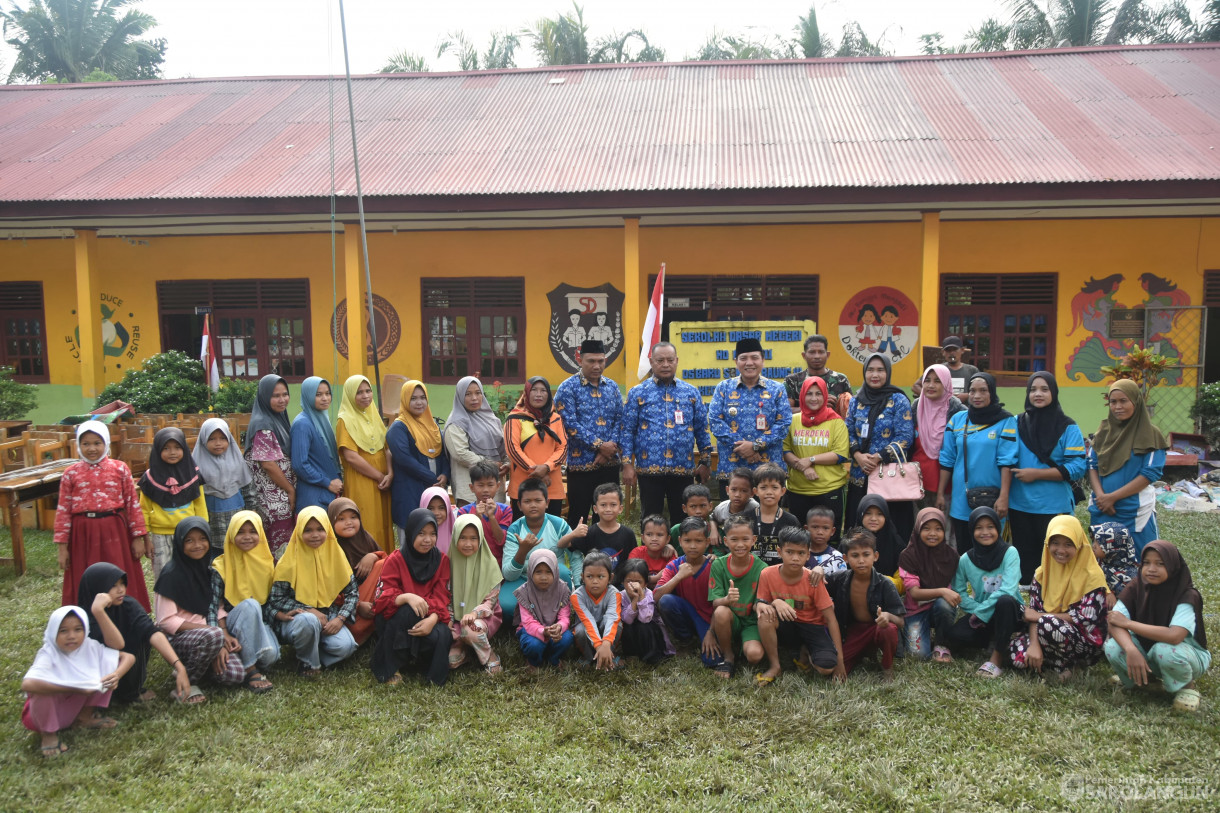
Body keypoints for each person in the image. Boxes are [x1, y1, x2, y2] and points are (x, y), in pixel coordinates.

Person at [54, 421, 150, 611]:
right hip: (82, 534)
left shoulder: (120, 469)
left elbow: (132, 504)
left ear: (106, 442)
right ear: (78, 446)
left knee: (118, 572)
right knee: (85, 574)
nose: (92, 448)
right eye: (86, 443)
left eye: (97, 443)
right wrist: (63, 548)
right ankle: (88, 615)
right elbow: (63, 511)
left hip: (115, 531)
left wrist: (137, 537)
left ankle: (125, 613)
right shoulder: (70, 474)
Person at [1105, 540, 1209, 713]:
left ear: (1173, 566)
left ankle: (1187, 687)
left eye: (1160, 564)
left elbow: (1174, 636)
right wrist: (1131, 649)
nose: (1152, 569)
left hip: (1185, 653)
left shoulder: (1187, 595)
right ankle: (1149, 681)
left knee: (1166, 650)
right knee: (1113, 646)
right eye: (1147, 563)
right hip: (1146, 650)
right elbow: (1114, 621)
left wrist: (1129, 624)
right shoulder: (1136, 587)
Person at [21, 606, 134, 758]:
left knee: (108, 665)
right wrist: (74, 688)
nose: (71, 636)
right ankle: (48, 735)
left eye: (77, 629)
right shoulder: (49, 653)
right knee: (40, 688)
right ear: (53, 632)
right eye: (63, 631)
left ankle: (84, 717)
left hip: (75, 708)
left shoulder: (89, 647)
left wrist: (116, 675)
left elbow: (128, 657)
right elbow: (27, 684)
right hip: (47, 713)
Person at [154, 518, 246, 700]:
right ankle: (185, 684)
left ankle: (204, 668)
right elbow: (166, 621)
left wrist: (223, 633)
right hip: (178, 637)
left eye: (202, 539)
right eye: (189, 540)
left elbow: (216, 606)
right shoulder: (170, 575)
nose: (197, 545)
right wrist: (213, 634)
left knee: (235, 675)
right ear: (180, 542)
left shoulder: (208, 569)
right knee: (213, 636)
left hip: (209, 635)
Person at [1007, 372, 1087, 582]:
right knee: (1025, 563)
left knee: (1057, 560)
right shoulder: (1016, 422)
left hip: (1054, 506)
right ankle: (1028, 607)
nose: (1038, 394)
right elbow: (1004, 456)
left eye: (1044, 389)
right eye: (1033, 389)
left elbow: (1078, 466)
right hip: (1019, 505)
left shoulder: (1068, 426)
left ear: (1054, 392)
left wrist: (1037, 474)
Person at [621, 341, 712, 524]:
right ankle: (648, 552)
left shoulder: (691, 392)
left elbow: (702, 429)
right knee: (650, 519)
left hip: (682, 468)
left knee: (684, 520)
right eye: (660, 360)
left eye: (670, 360)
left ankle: (682, 552)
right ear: (651, 362)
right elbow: (627, 431)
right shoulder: (638, 393)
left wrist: (705, 461)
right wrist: (626, 464)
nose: (665, 364)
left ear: (677, 361)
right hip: (649, 469)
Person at [1009, 516, 1109, 681]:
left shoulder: (1092, 576)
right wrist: (1034, 645)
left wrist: (1041, 617)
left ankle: (1071, 664)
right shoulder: (1042, 572)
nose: (1060, 550)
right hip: (1045, 631)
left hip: (1083, 639)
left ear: (1078, 543)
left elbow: (1084, 618)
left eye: (1068, 544)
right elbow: (1034, 612)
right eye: (1055, 543)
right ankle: (1050, 659)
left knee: (1049, 625)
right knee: (1018, 658)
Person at [76, 563, 191, 705]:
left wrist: (179, 667)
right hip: (97, 678)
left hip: (126, 669)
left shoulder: (129, 605)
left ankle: (130, 691)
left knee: (143, 634)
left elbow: (153, 633)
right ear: (96, 588)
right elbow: (116, 645)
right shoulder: (80, 618)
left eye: (122, 584)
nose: (121, 590)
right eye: (113, 585)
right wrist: (99, 612)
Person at [268, 508, 359, 677]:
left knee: (346, 647)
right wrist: (308, 609)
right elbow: (276, 598)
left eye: (320, 529)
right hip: (299, 619)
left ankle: (312, 649)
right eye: (307, 530)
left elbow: (352, 593)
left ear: (328, 530)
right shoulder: (288, 560)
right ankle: (309, 663)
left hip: (329, 618)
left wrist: (340, 619)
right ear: (298, 531)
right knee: (309, 621)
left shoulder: (336, 555)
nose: (315, 535)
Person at [371, 507, 453, 687]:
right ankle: (389, 668)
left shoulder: (441, 560)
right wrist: (407, 597)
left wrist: (432, 618)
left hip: (426, 618)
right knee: (408, 610)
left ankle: (433, 678)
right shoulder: (396, 559)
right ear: (411, 532)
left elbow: (442, 596)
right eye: (421, 533)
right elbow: (381, 599)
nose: (427, 540)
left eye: (432, 534)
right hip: (397, 621)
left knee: (444, 633)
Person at [936, 373, 1018, 552]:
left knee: (992, 550)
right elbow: (947, 459)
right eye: (972, 391)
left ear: (992, 393)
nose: (977, 396)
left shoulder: (1006, 421)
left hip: (993, 500)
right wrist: (941, 493)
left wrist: (1004, 497)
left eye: (983, 391)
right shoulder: (957, 420)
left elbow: (1007, 461)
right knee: (965, 551)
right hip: (961, 500)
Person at [1087, 380, 1168, 555]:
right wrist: (1102, 497)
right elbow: (1092, 465)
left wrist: (1113, 497)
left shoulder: (1151, 434)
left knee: (1140, 560)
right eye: (1113, 402)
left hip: (1134, 510)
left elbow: (1150, 473)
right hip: (1102, 508)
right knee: (1101, 561)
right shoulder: (1103, 432)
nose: (1117, 407)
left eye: (1123, 401)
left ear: (1136, 401)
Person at [756, 527, 845, 684]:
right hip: (787, 625)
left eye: (801, 553)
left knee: (826, 668)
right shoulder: (767, 574)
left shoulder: (813, 579)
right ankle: (775, 666)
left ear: (808, 555)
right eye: (789, 552)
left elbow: (831, 619)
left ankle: (805, 651)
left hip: (813, 626)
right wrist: (776, 602)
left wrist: (840, 661)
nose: (795, 558)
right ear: (779, 551)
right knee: (765, 616)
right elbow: (760, 604)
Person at [845, 352, 915, 542]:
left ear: (888, 372)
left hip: (889, 478)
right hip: (861, 474)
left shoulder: (898, 400)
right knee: (858, 530)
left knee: (892, 530)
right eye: (870, 370)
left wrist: (878, 457)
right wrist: (858, 455)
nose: (875, 375)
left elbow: (905, 437)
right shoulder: (856, 401)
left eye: (880, 370)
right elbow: (848, 432)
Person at [947, 507, 1023, 678]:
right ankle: (996, 638)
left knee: (1005, 601)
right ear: (972, 530)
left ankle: (996, 659)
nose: (985, 532)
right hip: (981, 616)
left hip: (1011, 612)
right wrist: (979, 611)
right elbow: (959, 593)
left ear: (998, 528)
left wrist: (982, 612)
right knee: (954, 636)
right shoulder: (966, 559)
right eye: (979, 527)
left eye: (990, 527)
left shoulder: (1010, 553)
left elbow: (1009, 589)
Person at [708, 337, 791, 495]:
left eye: (754, 358)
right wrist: (742, 447)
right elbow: (715, 422)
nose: (749, 363)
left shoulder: (776, 389)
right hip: (732, 469)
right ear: (736, 362)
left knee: (767, 518)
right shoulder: (723, 388)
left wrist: (755, 446)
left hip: (768, 471)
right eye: (743, 358)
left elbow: (784, 423)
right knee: (733, 517)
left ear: (763, 360)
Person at [554, 339, 624, 525]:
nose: (597, 366)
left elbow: (620, 420)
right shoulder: (567, 388)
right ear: (579, 360)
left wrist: (610, 449)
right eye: (591, 361)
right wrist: (600, 446)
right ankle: (577, 552)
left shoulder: (612, 387)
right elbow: (569, 423)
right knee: (579, 514)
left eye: (600, 361)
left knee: (607, 514)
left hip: (610, 464)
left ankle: (606, 551)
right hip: (581, 464)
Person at [209, 511, 280, 692]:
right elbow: (212, 606)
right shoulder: (219, 566)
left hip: (257, 622)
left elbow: (271, 602)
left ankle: (241, 654)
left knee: (272, 656)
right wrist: (222, 634)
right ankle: (251, 670)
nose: (247, 537)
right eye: (240, 532)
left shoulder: (267, 562)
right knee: (250, 604)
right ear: (231, 534)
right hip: (229, 625)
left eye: (252, 531)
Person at [825, 528, 906, 681]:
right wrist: (816, 570)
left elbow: (901, 622)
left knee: (888, 629)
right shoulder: (840, 579)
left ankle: (887, 666)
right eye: (855, 555)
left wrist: (887, 616)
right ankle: (862, 653)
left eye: (866, 555)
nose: (861, 560)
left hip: (876, 628)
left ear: (875, 556)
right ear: (846, 558)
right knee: (833, 670)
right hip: (853, 631)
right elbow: (820, 582)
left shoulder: (885, 583)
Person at [499, 478, 583, 619]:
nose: (533, 505)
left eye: (538, 501)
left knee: (561, 570)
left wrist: (579, 587)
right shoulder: (515, 529)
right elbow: (508, 574)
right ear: (519, 505)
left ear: (547, 503)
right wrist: (523, 551)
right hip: (523, 579)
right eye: (527, 501)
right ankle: (539, 614)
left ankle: (545, 612)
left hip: (553, 580)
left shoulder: (558, 524)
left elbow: (575, 555)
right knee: (505, 607)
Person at [783, 376, 850, 540]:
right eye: (809, 394)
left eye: (818, 394)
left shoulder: (836, 422)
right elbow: (785, 451)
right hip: (798, 490)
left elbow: (840, 454)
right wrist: (804, 467)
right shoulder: (793, 421)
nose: (814, 398)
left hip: (829, 490)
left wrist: (811, 459)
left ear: (825, 396)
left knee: (829, 539)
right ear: (802, 396)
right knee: (798, 540)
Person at [139, 427, 208, 579]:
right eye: (166, 448)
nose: (172, 452)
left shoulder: (192, 474)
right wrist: (145, 537)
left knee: (189, 572)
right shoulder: (150, 478)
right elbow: (144, 508)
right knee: (164, 575)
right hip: (160, 535)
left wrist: (202, 529)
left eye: (177, 447)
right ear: (157, 450)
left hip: (188, 532)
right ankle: (166, 603)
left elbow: (200, 503)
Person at [335, 374, 394, 552]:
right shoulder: (344, 419)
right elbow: (351, 456)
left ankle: (385, 568)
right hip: (363, 481)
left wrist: (390, 473)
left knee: (383, 523)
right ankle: (368, 570)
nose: (366, 395)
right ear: (350, 395)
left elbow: (387, 448)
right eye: (359, 392)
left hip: (383, 482)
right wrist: (380, 476)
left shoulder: (373, 414)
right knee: (367, 522)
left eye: (368, 390)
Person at [386, 380, 450, 545]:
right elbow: (404, 460)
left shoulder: (433, 425)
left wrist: (444, 474)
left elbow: (443, 453)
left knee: (432, 536)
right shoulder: (398, 428)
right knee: (411, 535)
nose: (419, 402)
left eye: (422, 397)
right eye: (413, 398)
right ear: (405, 400)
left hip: (434, 487)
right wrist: (432, 478)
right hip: (409, 489)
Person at [708, 514, 768, 679]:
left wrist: (760, 604)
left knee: (755, 656)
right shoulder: (719, 565)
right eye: (734, 539)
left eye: (745, 539)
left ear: (753, 540)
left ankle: (744, 643)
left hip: (751, 623)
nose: (740, 544)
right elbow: (715, 603)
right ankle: (728, 656)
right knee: (721, 611)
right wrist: (727, 599)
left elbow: (760, 602)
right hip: (730, 618)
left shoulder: (762, 568)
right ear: (726, 541)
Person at [655, 517, 720, 667]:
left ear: (707, 542)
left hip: (710, 619)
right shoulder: (674, 565)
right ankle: (685, 639)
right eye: (687, 541)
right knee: (666, 601)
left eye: (698, 541)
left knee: (712, 662)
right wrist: (678, 577)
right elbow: (656, 597)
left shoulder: (715, 565)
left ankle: (707, 634)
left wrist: (711, 632)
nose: (692, 546)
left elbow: (721, 604)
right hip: (687, 613)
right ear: (680, 541)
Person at [244, 374, 297, 557]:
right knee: (279, 550)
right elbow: (268, 464)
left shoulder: (278, 417)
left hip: (280, 495)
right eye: (275, 396)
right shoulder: (263, 423)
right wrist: (290, 490)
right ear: (265, 397)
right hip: (274, 501)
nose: (282, 400)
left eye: (285, 394)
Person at [898, 507, 959, 662]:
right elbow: (915, 593)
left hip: (940, 607)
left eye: (938, 529)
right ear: (918, 529)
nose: (932, 534)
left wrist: (944, 594)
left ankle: (941, 643)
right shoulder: (908, 555)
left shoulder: (951, 555)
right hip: (916, 611)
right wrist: (943, 591)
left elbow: (957, 590)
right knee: (918, 655)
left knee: (944, 605)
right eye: (926, 528)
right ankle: (913, 632)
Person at [504, 377, 567, 519]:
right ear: (526, 393)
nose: (539, 394)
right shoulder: (514, 418)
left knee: (552, 531)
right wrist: (537, 471)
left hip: (552, 486)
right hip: (523, 487)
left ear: (549, 395)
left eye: (543, 390)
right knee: (524, 532)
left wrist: (547, 467)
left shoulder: (556, 418)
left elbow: (563, 448)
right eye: (534, 390)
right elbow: (512, 449)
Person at [447, 515, 503, 674]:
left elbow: (490, 602)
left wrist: (473, 613)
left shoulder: (489, 564)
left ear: (481, 539)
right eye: (462, 537)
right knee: (451, 661)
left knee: (470, 630)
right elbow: (446, 597)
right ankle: (462, 646)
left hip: (484, 618)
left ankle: (489, 656)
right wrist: (450, 620)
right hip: (456, 619)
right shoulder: (447, 563)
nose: (468, 543)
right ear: (455, 537)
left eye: (473, 538)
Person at [327, 498, 385, 646]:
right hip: (345, 606)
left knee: (383, 564)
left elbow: (390, 566)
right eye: (341, 519)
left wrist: (373, 555)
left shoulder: (365, 538)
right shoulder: (330, 549)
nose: (349, 522)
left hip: (371, 596)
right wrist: (358, 605)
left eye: (353, 517)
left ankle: (379, 625)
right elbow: (331, 593)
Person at [445, 375, 509, 507]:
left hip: (494, 483)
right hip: (469, 486)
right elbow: (460, 453)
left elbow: (503, 446)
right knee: (472, 523)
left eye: (478, 393)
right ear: (460, 396)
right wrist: (490, 464)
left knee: (495, 522)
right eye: (468, 394)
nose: (474, 398)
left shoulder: (491, 418)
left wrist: (507, 462)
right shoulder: (456, 422)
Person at [193, 418, 252, 554]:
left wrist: (252, 511)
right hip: (210, 515)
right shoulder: (195, 464)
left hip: (237, 512)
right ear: (203, 440)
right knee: (215, 550)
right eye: (212, 439)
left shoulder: (237, 460)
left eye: (222, 438)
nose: (218, 443)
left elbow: (248, 488)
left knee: (237, 546)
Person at [911, 364, 964, 502]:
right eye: (927, 380)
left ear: (946, 383)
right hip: (917, 482)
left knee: (944, 522)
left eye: (937, 381)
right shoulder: (916, 408)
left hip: (948, 484)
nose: (931, 385)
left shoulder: (958, 411)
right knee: (920, 522)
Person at [514, 548, 574, 669]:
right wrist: (543, 631)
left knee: (567, 637)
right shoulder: (524, 592)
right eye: (538, 572)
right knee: (534, 645)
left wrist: (559, 627)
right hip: (531, 631)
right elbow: (527, 622)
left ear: (555, 572)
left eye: (548, 572)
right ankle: (534, 661)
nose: (543, 577)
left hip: (554, 629)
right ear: (530, 572)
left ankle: (553, 658)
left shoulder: (562, 590)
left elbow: (564, 617)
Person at [291, 376, 343, 513]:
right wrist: (327, 483)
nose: (325, 398)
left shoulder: (321, 419)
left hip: (327, 494)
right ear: (308, 396)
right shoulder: (302, 424)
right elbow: (299, 464)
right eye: (318, 395)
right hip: (314, 496)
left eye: (327, 393)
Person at [570, 551, 623, 669]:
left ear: (610, 577)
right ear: (582, 577)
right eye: (589, 576)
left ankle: (609, 655)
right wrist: (599, 646)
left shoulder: (614, 594)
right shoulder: (577, 596)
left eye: (600, 576)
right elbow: (587, 621)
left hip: (605, 631)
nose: (595, 581)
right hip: (587, 628)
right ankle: (589, 657)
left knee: (617, 625)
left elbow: (612, 618)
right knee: (580, 631)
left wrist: (606, 643)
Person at [616, 558, 674, 664]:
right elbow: (627, 620)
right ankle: (631, 654)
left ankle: (652, 656)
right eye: (629, 581)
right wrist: (634, 601)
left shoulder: (648, 594)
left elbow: (646, 618)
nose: (634, 585)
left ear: (646, 583)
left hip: (650, 630)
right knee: (627, 627)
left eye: (638, 581)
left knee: (644, 627)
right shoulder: (622, 596)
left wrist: (641, 598)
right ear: (622, 582)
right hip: (632, 628)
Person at [455, 460, 513, 563]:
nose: (486, 490)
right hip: (473, 563)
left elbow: (501, 541)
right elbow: (464, 543)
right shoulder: (463, 512)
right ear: (472, 488)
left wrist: (492, 517)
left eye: (490, 485)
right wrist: (476, 518)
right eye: (480, 485)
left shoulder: (505, 510)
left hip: (496, 564)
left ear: (498, 486)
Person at [749, 463, 802, 567]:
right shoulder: (745, 519)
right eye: (763, 487)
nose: (769, 492)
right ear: (756, 491)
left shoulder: (791, 521)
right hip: (750, 575)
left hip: (781, 575)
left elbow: (799, 549)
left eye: (774, 487)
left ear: (782, 491)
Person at [784, 334, 852, 414]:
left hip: (834, 425)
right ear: (804, 355)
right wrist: (815, 407)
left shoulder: (841, 379)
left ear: (827, 355)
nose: (817, 356)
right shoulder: (792, 380)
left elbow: (851, 410)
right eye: (812, 352)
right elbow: (785, 411)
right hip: (802, 426)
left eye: (821, 352)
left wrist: (838, 406)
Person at [575, 482, 636, 563]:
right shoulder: (589, 533)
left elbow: (634, 561)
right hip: (595, 575)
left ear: (620, 509)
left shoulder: (628, 534)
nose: (608, 509)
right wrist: (574, 533)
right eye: (603, 505)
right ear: (595, 509)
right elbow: (561, 544)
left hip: (621, 576)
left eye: (613, 505)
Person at [855, 494, 904, 584]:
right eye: (868, 513)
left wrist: (886, 584)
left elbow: (904, 577)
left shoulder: (895, 542)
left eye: (880, 514)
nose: (873, 518)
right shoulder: (851, 542)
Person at [710, 467, 758, 555]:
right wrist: (714, 531)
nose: (737, 495)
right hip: (728, 547)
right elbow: (712, 518)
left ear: (752, 493)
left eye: (743, 491)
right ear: (727, 490)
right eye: (734, 490)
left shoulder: (754, 507)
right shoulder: (722, 508)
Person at [1091, 521, 1138, 606]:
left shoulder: (1130, 575)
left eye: (1099, 543)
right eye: (1093, 541)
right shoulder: (1096, 562)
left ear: (1115, 547)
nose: (1093, 545)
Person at [627, 515, 676, 586]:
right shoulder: (637, 553)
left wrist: (645, 579)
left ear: (668, 539)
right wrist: (656, 578)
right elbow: (631, 576)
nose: (654, 539)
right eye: (649, 534)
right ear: (643, 538)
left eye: (659, 535)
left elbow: (672, 578)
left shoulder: (670, 555)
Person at [805, 507, 846, 574]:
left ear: (832, 531)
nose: (820, 532)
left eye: (825, 528)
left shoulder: (837, 557)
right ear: (806, 529)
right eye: (815, 527)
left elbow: (841, 581)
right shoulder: (800, 554)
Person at [420, 485, 458, 555]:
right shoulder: (417, 536)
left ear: (448, 509)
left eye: (441, 508)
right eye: (431, 508)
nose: (436, 513)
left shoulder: (457, 534)